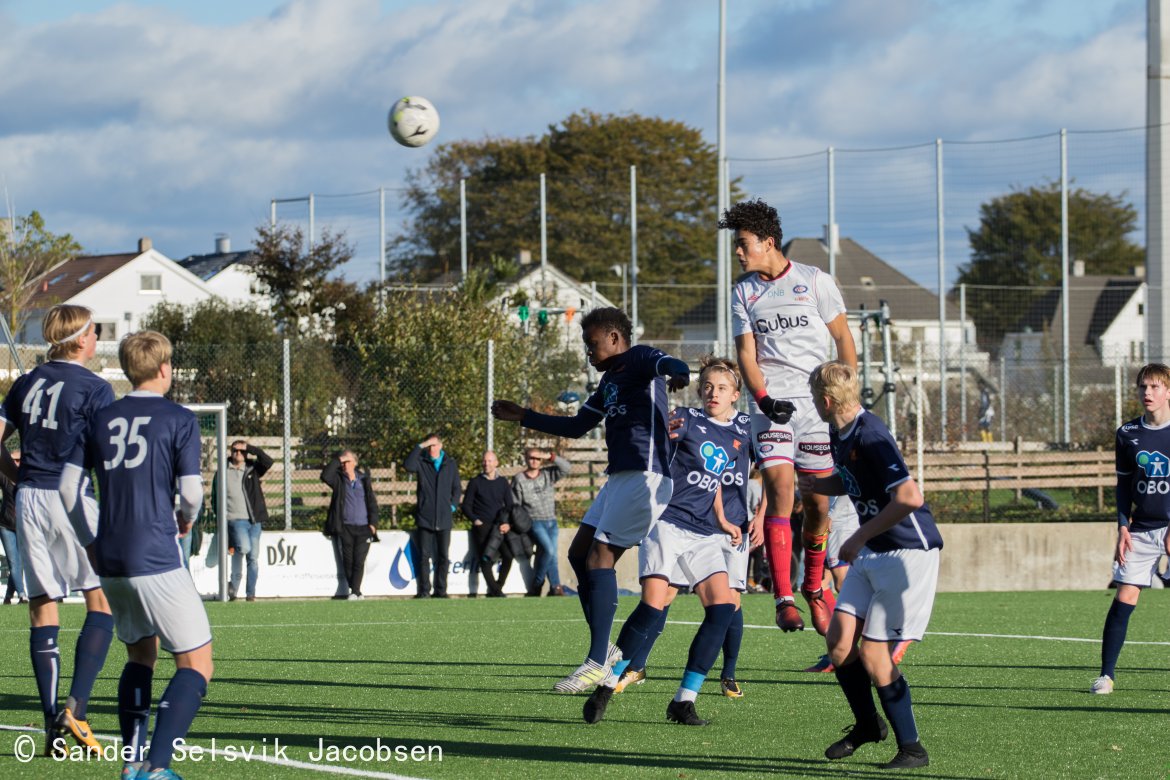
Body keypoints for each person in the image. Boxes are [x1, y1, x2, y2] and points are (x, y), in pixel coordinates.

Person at [492, 307, 689, 693]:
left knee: (600, 556)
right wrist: (525, 417)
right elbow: (577, 426)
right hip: (620, 475)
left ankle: (597, 662)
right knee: (579, 554)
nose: (588, 351)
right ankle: (606, 651)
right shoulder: (609, 382)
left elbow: (670, 362)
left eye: (592, 343)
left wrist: (678, 373)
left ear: (615, 338)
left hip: (645, 474)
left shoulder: (638, 357)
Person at [59, 329, 212, 780]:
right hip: (156, 554)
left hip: (111, 559)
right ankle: (157, 767)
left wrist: (90, 541)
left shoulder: (99, 418)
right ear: (165, 368)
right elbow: (190, 493)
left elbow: (69, 488)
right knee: (197, 663)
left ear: (128, 371)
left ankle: (131, 762)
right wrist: (185, 519)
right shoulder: (180, 419)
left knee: (140, 657)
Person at [583, 355, 747, 725]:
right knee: (653, 607)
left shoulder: (739, 433)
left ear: (736, 395)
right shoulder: (686, 419)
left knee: (723, 609)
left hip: (704, 531)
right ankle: (606, 685)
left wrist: (722, 518)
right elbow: (655, 443)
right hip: (668, 523)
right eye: (707, 386)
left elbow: (715, 480)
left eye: (721, 388)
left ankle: (683, 701)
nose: (712, 393)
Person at [721, 198, 858, 636]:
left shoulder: (815, 281)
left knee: (818, 505)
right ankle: (783, 599)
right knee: (780, 489)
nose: (739, 253)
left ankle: (813, 588)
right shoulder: (743, 291)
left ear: (768, 241)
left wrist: (846, 396)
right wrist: (761, 399)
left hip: (820, 409)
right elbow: (746, 352)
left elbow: (844, 340)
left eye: (743, 244)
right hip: (773, 408)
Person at [798, 361, 942, 770]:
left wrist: (858, 536)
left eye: (814, 398)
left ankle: (912, 749)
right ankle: (866, 726)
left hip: (908, 553)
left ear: (826, 401)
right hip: (874, 551)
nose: (813, 404)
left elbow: (909, 497)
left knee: (876, 657)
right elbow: (853, 479)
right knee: (840, 643)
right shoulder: (838, 431)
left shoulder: (873, 434)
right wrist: (816, 483)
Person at [0, 304, 113, 756]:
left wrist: (10, 475)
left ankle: (52, 724)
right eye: (96, 330)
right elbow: (106, 459)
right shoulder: (96, 387)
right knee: (100, 599)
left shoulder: (25, 384)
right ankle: (76, 709)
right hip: (70, 496)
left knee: (43, 606)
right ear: (82, 339)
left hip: (28, 497)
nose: (98, 337)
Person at [1091, 363, 1170, 695]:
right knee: (1125, 595)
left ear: (1168, 391)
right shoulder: (1127, 434)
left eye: (1154, 387)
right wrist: (1123, 526)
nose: (1147, 393)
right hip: (1140, 531)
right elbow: (1123, 487)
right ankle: (1106, 676)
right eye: (1142, 387)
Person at [213, 439, 273, 602]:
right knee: (245, 548)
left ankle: (250, 594)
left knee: (253, 558)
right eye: (235, 450)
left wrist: (251, 448)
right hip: (235, 518)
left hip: (254, 520)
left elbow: (268, 461)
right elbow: (215, 493)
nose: (238, 454)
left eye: (241, 451)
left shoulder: (252, 468)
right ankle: (231, 581)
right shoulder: (223, 470)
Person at [403, 434, 461, 599]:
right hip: (425, 517)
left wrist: (452, 506)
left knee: (443, 557)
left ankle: (441, 591)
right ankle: (424, 591)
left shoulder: (450, 464)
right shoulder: (421, 462)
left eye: (434, 445)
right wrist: (420, 445)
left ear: (441, 445)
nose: (432, 448)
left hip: (444, 518)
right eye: (429, 445)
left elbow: (457, 488)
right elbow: (408, 465)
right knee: (424, 556)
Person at [321, 450, 380, 600]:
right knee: (348, 560)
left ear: (355, 462)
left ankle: (355, 591)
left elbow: (372, 502)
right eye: (343, 462)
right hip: (345, 526)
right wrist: (338, 458)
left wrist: (373, 523)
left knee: (359, 560)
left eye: (348, 461)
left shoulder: (364, 479)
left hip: (364, 527)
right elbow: (325, 475)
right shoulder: (339, 480)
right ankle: (355, 591)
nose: (345, 464)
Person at [512, 448, 571, 596]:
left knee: (552, 555)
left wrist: (549, 456)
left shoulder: (547, 474)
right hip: (535, 521)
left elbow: (567, 467)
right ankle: (537, 584)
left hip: (551, 520)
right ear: (525, 459)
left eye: (537, 459)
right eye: (531, 458)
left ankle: (555, 587)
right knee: (549, 551)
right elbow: (516, 505)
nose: (534, 461)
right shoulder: (519, 479)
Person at [462, 450, 517, 597]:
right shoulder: (475, 482)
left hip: (499, 527)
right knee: (485, 559)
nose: (486, 464)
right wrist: (476, 520)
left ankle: (496, 588)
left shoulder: (503, 482)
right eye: (484, 461)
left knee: (508, 556)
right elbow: (466, 506)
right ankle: (497, 591)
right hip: (482, 527)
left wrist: (508, 524)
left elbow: (510, 506)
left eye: (490, 461)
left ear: (496, 463)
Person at [1, 449, 27, 605]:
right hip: (5, 525)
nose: (16, 463)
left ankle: (8, 596)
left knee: (20, 561)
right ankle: (22, 594)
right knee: (13, 561)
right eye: (13, 460)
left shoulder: (27, 478)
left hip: (23, 526)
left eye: (18, 460)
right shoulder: (4, 477)